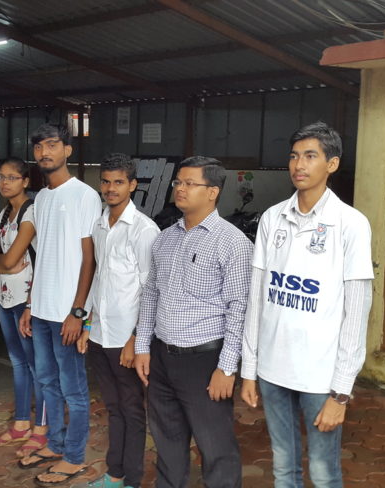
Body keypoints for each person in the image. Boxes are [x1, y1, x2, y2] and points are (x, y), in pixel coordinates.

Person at [240, 121, 374, 487]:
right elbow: (257, 298)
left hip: (320, 375)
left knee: (323, 471)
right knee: (283, 465)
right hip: (272, 370)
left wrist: (340, 393)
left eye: (310, 156)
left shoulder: (350, 224)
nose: (299, 164)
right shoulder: (272, 218)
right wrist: (249, 369)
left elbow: (356, 313)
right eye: (294, 156)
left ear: (332, 164)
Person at [134, 156, 253, 488]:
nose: (180, 189)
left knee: (216, 449)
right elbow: (151, 293)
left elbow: (239, 309)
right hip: (162, 358)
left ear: (213, 191)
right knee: (167, 444)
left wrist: (226, 368)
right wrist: (143, 346)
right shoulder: (165, 238)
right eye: (178, 182)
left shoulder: (232, 243)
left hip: (204, 361)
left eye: (190, 183)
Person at [17, 123, 101, 486]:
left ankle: (74, 457)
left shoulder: (84, 195)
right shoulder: (41, 199)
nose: (44, 152)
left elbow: (89, 259)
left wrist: (78, 312)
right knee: (47, 383)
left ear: (68, 150)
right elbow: (43, 256)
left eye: (52, 145)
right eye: (39, 147)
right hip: (42, 310)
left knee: (74, 390)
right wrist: (29, 304)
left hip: (67, 313)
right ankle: (54, 444)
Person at [77, 154, 159, 488]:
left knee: (132, 410)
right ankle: (115, 474)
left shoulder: (144, 230)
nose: (111, 188)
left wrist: (136, 339)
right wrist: (87, 326)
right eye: (106, 182)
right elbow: (98, 278)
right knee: (113, 407)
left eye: (119, 182)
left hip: (126, 339)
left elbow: (151, 289)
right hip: (100, 334)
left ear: (132, 185)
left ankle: (132, 480)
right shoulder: (99, 225)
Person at [0, 157, 48, 457]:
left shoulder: (30, 213)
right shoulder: (4, 213)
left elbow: (7, 259)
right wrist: (4, 266)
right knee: (18, 362)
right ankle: (21, 424)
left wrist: (3, 264)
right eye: (1, 177)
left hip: (26, 299)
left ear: (25, 181)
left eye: (12, 177)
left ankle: (42, 429)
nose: (5, 182)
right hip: (4, 296)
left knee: (37, 365)